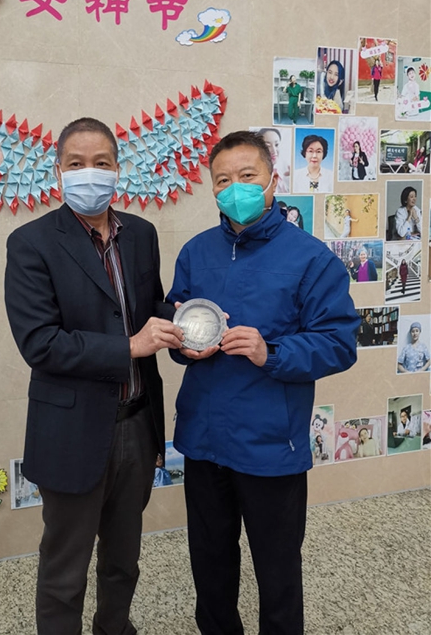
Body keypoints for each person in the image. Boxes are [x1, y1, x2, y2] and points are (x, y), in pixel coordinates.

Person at [166, 131, 358, 635]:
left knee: (277, 572)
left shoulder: (311, 258)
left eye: (247, 176)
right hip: (204, 439)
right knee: (210, 566)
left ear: (273, 179)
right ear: (212, 188)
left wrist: (270, 352)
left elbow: (339, 343)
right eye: (222, 180)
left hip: (272, 445)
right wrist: (183, 345)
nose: (235, 188)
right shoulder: (195, 252)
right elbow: (177, 323)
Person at [4, 117, 184, 635]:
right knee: (65, 572)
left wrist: (189, 323)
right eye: (77, 163)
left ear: (117, 170)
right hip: (71, 431)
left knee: (124, 561)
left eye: (101, 163)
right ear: (58, 171)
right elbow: (40, 343)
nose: (90, 173)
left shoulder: (142, 234)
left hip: (137, 424)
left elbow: (149, 311)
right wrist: (129, 346)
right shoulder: (31, 242)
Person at [257, 128, 290, 193]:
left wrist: (289, 180)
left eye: (276, 145)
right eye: (267, 146)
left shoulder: (283, 173)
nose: (274, 151)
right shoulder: (256, 176)